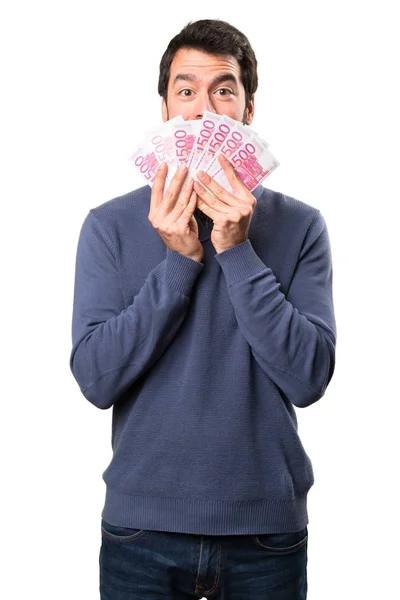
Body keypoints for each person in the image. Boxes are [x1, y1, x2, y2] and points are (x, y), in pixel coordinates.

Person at [70, 18, 336, 600]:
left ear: (247, 110)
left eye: (224, 88)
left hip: (266, 534)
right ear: (166, 109)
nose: (204, 108)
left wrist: (237, 251)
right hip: (142, 531)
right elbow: (95, 379)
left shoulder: (299, 225)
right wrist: (177, 266)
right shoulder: (109, 226)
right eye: (186, 89)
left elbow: (309, 377)